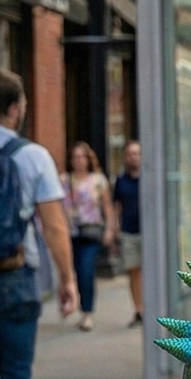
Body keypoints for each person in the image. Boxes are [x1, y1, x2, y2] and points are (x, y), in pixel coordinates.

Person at [0, 70, 77, 379]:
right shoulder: (33, 156)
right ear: (16, 109)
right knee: (16, 374)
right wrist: (68, 279)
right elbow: (55, 226)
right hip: (16, 276)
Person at [62, 141, 114, 331]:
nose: (78, 161)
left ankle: (87, 312)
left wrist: (110, 229)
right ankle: (74, 302)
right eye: (74, 157)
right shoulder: (64, 180)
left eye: (81, 156)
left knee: (86, 271)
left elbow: (107, 207)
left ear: (88, 158)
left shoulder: (98, 180)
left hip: (91, 232)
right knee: (73, 271)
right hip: (70, 233)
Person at [112, 140, 142, 326]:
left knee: (148, 272)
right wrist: (114, 227)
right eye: (129, 154)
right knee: (133, 271)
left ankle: (151, 307)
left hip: (148, 232)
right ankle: (139, 310)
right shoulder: (121, 180)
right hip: (129, 231)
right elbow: (117, 205)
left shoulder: (148, 179)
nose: (133, 157)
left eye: (136, 153)